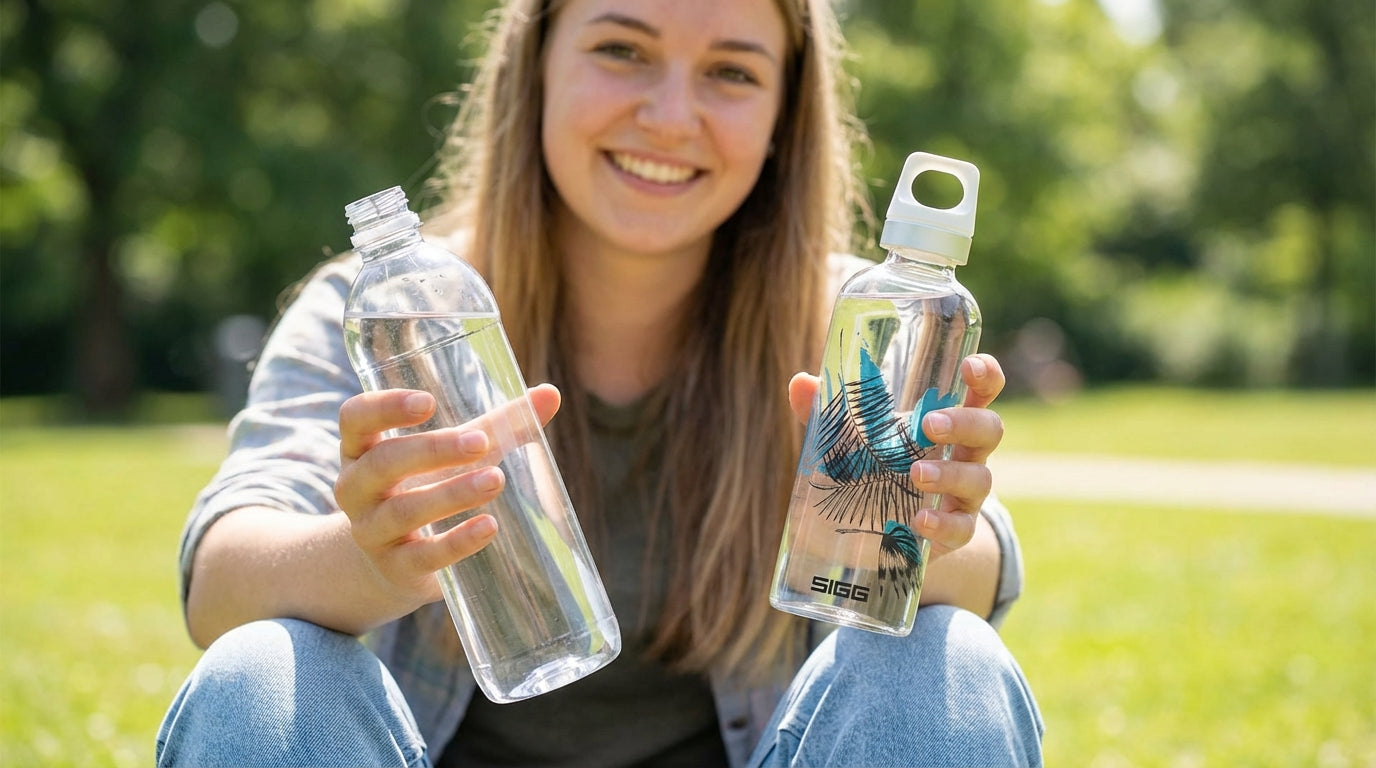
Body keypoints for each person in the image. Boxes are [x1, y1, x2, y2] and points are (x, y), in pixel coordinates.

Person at [156, 0, 1044, 765]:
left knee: (943, 662)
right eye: (623, 50)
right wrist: (376, 555)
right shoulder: (388, 316)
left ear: (784, 114)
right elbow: (221, 580)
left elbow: (986, 576)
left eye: (731, 72)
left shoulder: (859, 319)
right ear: (534, 67)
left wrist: (921, 517)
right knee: (262, 677)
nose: (668, 115)